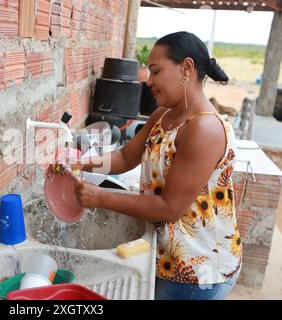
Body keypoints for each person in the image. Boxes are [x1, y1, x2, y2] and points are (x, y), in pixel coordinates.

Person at [52, 31, 242, 300]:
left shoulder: (204, 128)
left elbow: (169, 208)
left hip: (196, 270)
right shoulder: (163, 115)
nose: (149, 82)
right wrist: (79, 163)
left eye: (155, 72)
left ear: (186, 68)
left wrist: (100, 197)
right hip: (168, 256)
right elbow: (125, 158)